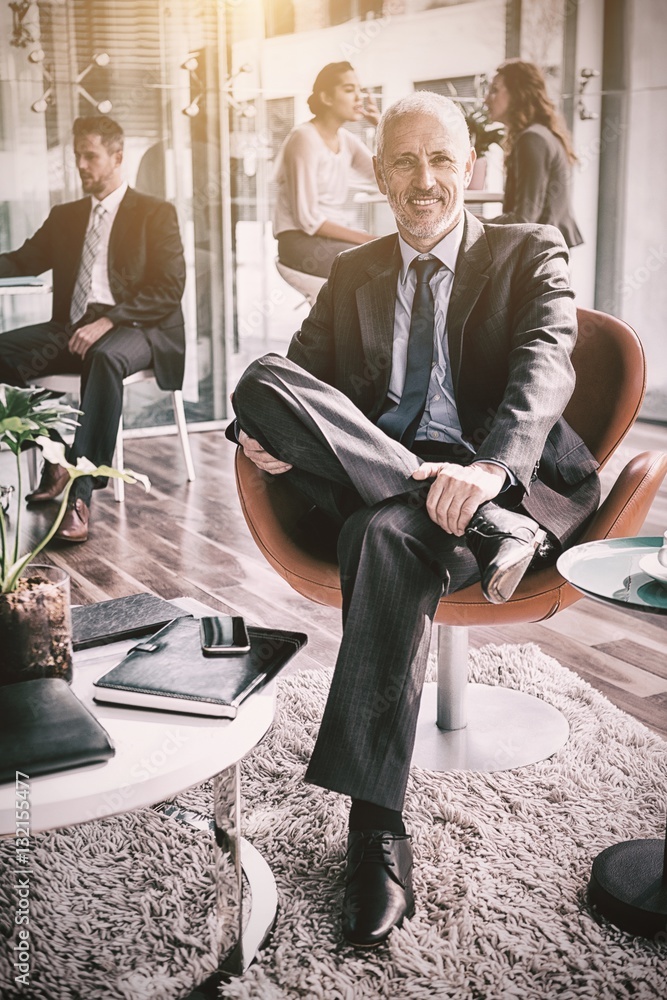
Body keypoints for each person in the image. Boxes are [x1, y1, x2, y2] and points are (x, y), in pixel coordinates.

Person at [229, 92, 600, 947]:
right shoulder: (354, 270)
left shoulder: (526, 251)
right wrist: (270, 438)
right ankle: (456, 518)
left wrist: (486, 469)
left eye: (439, 160)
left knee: (382, 535)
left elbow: (545, 365)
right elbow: (295, 381)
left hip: (485, 480)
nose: (423, 180)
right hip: (389, 476)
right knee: (259, 383)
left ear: (468, 168)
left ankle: (375, 834)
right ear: (378, 173)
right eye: (403, 161)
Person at [0, 115, 186, 542]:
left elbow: (168, 288)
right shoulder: (66, 217)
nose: (81, 165)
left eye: (91, 156)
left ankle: (80, 495)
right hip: (73, 324)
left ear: (117, 158)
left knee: (104, 357)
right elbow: (23, 260)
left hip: (141, 325)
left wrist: (108, 320)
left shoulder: (155, 213)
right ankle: (56, 455)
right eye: (77, 156)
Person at [273, 61, 379, 278]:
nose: (359, 97)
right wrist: (369, 240)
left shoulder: (346, 140)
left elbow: (385, 178)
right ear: (326, 97)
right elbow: (308, 219)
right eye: (349, 90)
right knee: (376, 265)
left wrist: (383, 124)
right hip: (300, 240)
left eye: (359, 90)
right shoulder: (304, 138)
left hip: (332, 239)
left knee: (389, 260)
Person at [485, 59, 583, 248]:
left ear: (519, 94)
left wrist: (473, 225)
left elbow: (524, 219)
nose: (486, 99)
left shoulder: (532, 139)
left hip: (541, 255)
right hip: (547, 251)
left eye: (494, 90)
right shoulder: (539, 134)